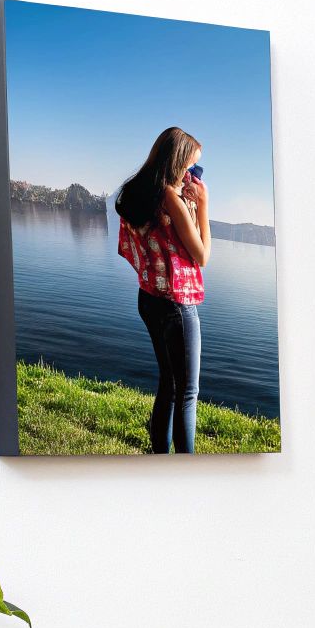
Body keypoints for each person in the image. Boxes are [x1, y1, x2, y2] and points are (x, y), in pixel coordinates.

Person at [115, 127, 210, 453]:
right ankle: (186, 464)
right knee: (187, 392)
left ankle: (160, 455)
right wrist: (204, 204)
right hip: (175, 306)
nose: (192, 176)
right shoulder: (170, 197)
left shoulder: (142, 193)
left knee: (168, 384)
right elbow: (201, 255)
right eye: (190, 168)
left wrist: (189, 205)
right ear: (178, 162)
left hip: (149, 298)